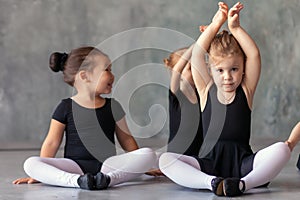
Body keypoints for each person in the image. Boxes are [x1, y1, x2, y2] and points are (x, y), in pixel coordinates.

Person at [159, 2, 300, 197]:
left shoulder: (246, 90)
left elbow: (254, 54)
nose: (227, 76)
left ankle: (243, 185)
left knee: (282, 149)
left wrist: (235, 28)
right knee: (165, 160)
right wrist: (216, 23)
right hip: (209, 164)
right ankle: (211, 183)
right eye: (220, 70)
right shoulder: (205, 89)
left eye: (234, 69)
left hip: (243, 164)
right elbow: (199, 53)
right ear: (210, 70)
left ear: (243, 69)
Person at [13, 46, 158, 190]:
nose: (112, 75)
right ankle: (77, 181)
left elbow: (126, 139)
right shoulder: (65, 107)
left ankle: (109, 180)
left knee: (148, 154)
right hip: (74, 166)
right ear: (84, 76)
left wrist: (142, 164)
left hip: (107, 166)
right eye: (107, 70)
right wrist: (40, 173)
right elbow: (51, 142)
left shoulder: (113, 106)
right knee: (31, 163)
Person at [164, 45, 203, 156]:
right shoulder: (176, 94)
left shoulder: (202, 94)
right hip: (177, 154)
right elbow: (176, 70)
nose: (197, 71)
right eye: (191, 68)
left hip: (198, 155)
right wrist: (196, 47)